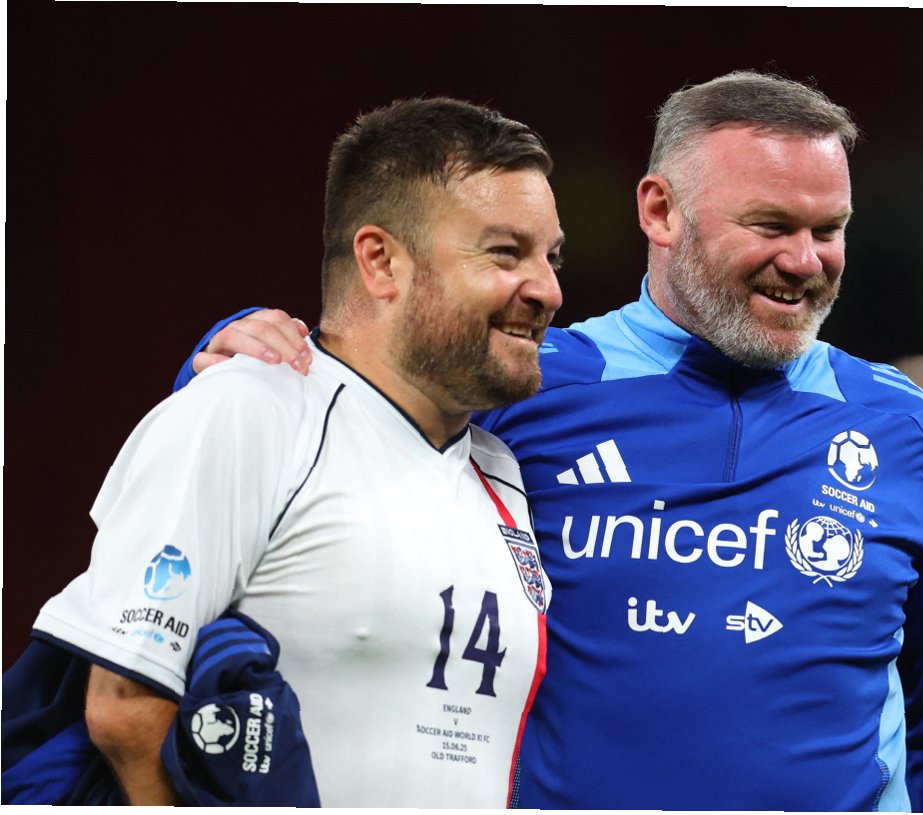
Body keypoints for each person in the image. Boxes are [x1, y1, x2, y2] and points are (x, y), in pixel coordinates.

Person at [179, 71, 923, 811]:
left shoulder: (897, 423)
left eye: (828, 229)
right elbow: (330, 423)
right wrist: (228, 357)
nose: (806, 261)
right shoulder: (526, 386)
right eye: (772, 224)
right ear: (661, 210)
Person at [26, 97, 564, 806]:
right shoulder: (250, 409)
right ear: (381, 262)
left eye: (552, 256)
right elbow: (124, 707)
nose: (550, 290)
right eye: (505, 253)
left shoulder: (502, 470)